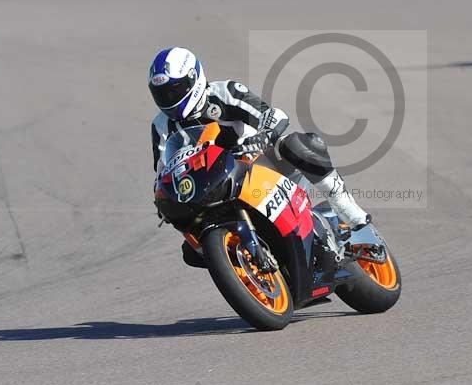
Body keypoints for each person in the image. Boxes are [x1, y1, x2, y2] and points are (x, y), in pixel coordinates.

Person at [148, 47, 372, 268]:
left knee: (295, 144)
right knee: (193, 253)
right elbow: (164, 168)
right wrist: (164, 196)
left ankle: (354, 218)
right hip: (213, 185)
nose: (169, 98)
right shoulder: (161, 126)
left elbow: (271, 114)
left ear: (194, 79)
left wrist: (262, 137)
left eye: (175, 90)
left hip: (259, 163)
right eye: (162, 93)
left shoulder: (224, 93)